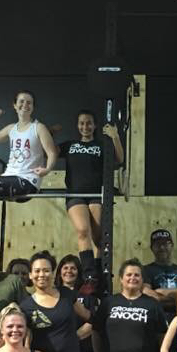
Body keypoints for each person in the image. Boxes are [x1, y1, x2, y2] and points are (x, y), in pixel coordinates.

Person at [0, 91, 58, 249]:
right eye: (22, 101)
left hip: (27, 181)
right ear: (15, 105)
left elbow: (52, 152)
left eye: (29, 102)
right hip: (9, 178)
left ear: (33, 107)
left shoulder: (38, 128)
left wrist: (47, 169)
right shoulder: (11, 128)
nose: (25, 105)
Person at [59, 109, 124, 274]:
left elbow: (119, 159)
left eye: (89, 123)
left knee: (99, 239)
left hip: (96, 194)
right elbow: (47, 151)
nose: (85, 126)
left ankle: (100, 274)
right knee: (82, 231)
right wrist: (49, 133)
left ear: (95, 126)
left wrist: (115, 136)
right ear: (77, 125)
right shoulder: (70, 145)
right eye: (81, 123)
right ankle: (89, 275)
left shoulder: (101, 145)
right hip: (75, 195)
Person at [20, 251, 91, 352]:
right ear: (30, 275)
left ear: (53, 273)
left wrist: (78, 335)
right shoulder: (25, 306)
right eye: (37, 271)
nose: (41, 274)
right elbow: (26, 340)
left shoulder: (67, 295)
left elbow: (90, 317)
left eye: (46, 270)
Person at [57, 253, 98, 352]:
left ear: (79, 272)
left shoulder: (87, 296)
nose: (69, 271)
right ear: (59, 272)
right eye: (65, 268)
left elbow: (94, 321)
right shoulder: (53, 294)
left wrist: (72, 339)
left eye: (73, 268)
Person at [142, 229, 177, 315]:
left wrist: (159, 292)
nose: (162, 247)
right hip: (154, 316)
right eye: (158, 245)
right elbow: (146, 294)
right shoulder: (145, 270)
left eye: (165, 244)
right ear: (152, 248)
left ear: (172, 245)